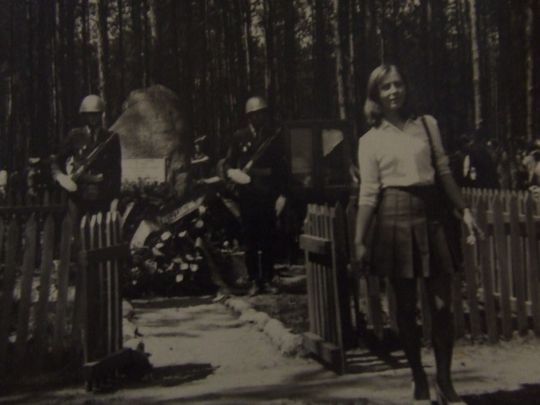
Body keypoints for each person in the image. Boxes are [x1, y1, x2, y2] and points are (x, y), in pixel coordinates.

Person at [354, 65, 482, 405]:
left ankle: (445, 380)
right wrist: (359, 239)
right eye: (386, 87)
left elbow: (442, 170)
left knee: (442, 307)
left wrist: (463, 209)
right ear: (375, 95)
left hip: (434, 215)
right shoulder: (370, 141)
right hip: (394, 217)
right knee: (406, 309)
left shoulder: (427, 125)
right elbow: (368, 194)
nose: (394, 91)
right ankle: (418, 379)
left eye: (398, 84)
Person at [220, 96, 289, 296]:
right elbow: (228, 162)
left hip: (268, 194)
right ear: (249, 116)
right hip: (247, 195)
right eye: (256, 114)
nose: (260, 117)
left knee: (268, 238)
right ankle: (253, 280)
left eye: (263, 113)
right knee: (250, 239)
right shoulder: (238, 136)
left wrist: (282, 195)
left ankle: (267, 279)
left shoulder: (273, 137)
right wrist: (231, 173)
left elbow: (282, 169)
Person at [51, 94, 122, 215]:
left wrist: (115, 198)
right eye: (89, 114)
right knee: (76, 231)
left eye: (96, 114)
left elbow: (116, 170)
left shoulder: (111, 138)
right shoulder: (75, 135)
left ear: (101, 115)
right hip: (78, 195)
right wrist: (61, 177)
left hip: (102, 196)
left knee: (99, 231)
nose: (93, 118)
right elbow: (58, 161)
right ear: (84, 116)